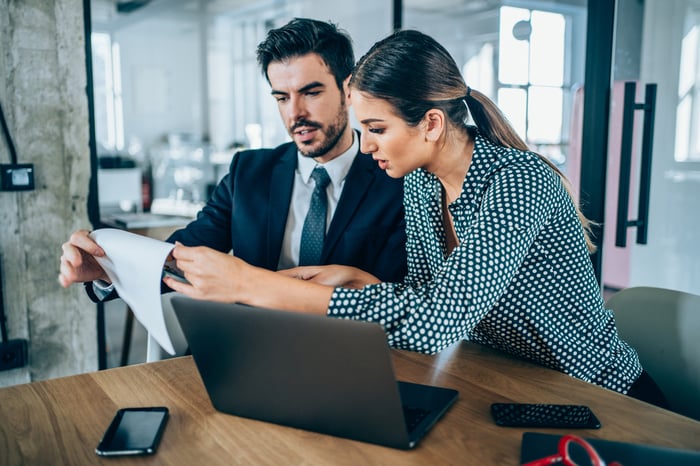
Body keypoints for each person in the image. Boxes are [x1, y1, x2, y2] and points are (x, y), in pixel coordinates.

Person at [157, 29, 668, 408]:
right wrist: (362, 281)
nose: (368, 143)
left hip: (598, 395)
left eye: (376, 128)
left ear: (431, 123)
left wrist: (252, 284)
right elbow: (429, 299)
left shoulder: (519, 181)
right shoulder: (422, 182)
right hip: (502, 382)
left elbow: (437, 322)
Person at [58, 18, 407, 299]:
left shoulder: (395, 176)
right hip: (248, 346)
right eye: (281, 98)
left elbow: (402, 292)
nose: (295, 113)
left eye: (310, 93)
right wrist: (108, 268)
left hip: (350, 353)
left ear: (348, 91)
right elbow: (183, 255)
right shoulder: (249, 172)